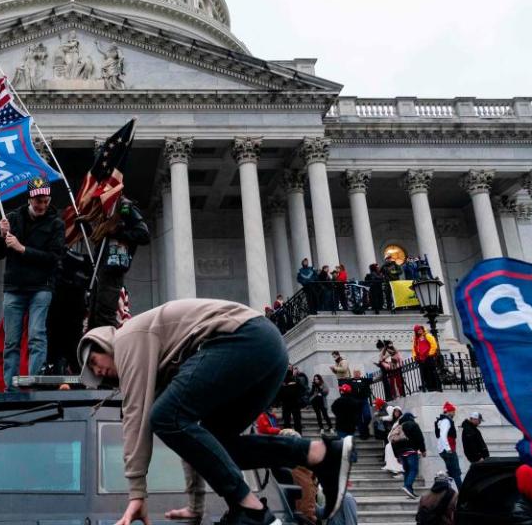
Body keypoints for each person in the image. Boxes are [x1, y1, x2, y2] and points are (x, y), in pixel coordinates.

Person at [77, 299, 355, 525]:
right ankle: (318, 453)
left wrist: (136, 493)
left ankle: (251, 509)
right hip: (267, 351)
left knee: (163, 416)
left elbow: (136, 418)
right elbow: (192, 443)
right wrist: (196, 506)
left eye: (93, 361)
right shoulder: (159, 364)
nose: (97, 371)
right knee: (216, 443)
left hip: (245, 339)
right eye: (93, 374)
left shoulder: (128, 338)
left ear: (103, 343)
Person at [0, 177, 65, 386]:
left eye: (45, 200)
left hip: (41, 287)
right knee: (11, 341)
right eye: (37, 201)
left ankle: (35, 383)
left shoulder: (56, 223)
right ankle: (10, 387)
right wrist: (1, 235)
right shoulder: (12, 219)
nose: (41, 205)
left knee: (36, 336)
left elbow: (55, 258)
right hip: (14, 287)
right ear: (29, 199)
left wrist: (22, 249)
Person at [86, 195, 151, 329]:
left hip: (113, 269)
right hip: (100, 268)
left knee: (105, 316)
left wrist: (118, 232)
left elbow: (144, 235)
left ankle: (109, 347)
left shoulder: (124, 207)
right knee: (94, 314)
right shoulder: (103, 210)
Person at [391, 411, 425, 499]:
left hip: (401, 453)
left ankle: (410, 491)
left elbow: (393, 442)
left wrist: (397, 455)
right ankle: (407, 486)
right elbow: (420, 438)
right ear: (410, 418)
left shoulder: (398, 427)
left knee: (407, 471)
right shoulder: (413, 425)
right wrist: (423, 450)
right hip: (411, 451)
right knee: (414, 470)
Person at [435, 402, 463, 487]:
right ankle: (462, 494)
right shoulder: (446, 421)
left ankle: (444, 489)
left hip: (443, 450)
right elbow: (443, 435)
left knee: (451, 472)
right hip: (448, 450)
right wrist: (448, 448)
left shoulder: (440, 421)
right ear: (449, 411)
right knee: (456, 472)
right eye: (453, 411)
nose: (454, 413)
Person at [413, 324, 441, 392]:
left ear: (422, 329)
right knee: (425, 374)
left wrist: (430, 354)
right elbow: (414, 348)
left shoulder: (427, 335)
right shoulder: (416, 339)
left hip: (428, 357)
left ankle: (436, 387)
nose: (419, 331)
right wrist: (415, 357)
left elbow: (434, 345)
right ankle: (429, 388)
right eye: (417, 330)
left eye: (420, 329)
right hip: (421, 359)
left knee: (432, 372)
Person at [279, 368, 304, 435]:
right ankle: (299, 435)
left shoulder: (284, 384)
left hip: (287, 405)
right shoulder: (296, 383)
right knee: (296, 421)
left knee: (288, 422)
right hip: (294, 404)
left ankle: (288, 436)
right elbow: (301, 392)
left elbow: (280, 396)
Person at [381, 406, 404, 475]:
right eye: (395, 411)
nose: (396, 413)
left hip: (399, 440)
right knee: (388, 447)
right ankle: (391, 466)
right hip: (393, 440)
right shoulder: (394, 420)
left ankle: (397, 468)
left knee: (391, 449)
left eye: (397, 411)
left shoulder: (401, 420)